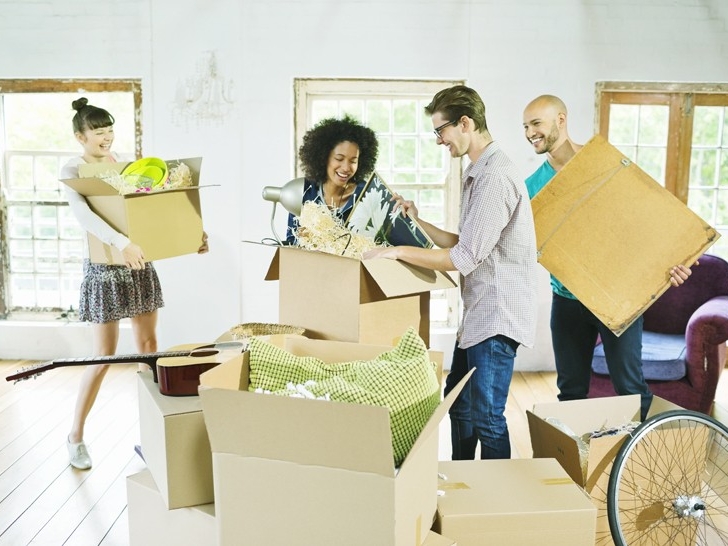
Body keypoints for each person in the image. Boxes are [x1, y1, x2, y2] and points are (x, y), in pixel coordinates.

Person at [364, 85, 537, 460]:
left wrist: (397, 252)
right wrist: (417, 222)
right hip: (480, 314)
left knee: (487, 418)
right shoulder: (480, 171)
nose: (439, 140)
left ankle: (492, 493)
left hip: (497, 316)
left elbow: (464, 257)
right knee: (459, 406)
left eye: (440, 130)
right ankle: (461, 481)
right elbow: (468, 242)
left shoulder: (493, 178)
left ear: (465, 123)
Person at [522, 94, 693, 420]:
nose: (530, 133)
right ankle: (580, 452)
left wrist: (676, 259)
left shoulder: (604, 164)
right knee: (570, 391)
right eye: (525, 127)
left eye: (536, 123)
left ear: (561, 120)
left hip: (618, 297)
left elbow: (647, 220)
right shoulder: (531, 188)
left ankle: (644, 451)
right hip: (567, 300)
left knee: (630, 388)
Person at [60, 97, 209, 470]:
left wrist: (193, 233)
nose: (106, 137)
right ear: (80, 136)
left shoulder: (124, 164)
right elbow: (85, 216)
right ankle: (75, 436)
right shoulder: (73, 168)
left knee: (148, 350)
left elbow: (153, 210)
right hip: (106, 269)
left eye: (110, 130)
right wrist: (121, 243)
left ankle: (153, 439)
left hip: (138, 263)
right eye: (98, 131)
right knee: (104, 356)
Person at [285, 115, 379, 244]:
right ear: (324, 158)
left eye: (353, 161)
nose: (346, 168)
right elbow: (290, 242)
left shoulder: (367, 194)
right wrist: (302, 240)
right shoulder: (304, 190)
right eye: (339, 159)